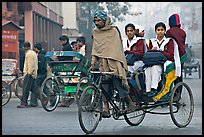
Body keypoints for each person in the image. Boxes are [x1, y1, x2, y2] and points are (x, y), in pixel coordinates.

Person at [89, 10, 137, 118]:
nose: (97, 23)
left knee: (118, 82)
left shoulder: (113, 31)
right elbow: (95, 49)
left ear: (105, 20)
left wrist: (111, 59)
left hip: (115, 62)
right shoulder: (95, 32)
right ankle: (106, 109)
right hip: (103, 63)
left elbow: (116, 48)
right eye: (95, 20)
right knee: (104, 85)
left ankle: (129, 101)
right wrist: (92, 63)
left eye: (99, 20)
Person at [144, 22, 175, 98]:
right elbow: (148, 53)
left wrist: (160, 52)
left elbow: (170, 55)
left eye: (162, 30)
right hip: (153, 61)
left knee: (155, 68)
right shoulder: (151, 41)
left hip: (164, 62)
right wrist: (152, 50)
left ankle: (154, 88)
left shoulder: (169, 41)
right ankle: (148, 90)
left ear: (165, 31)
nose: (160, 31)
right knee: (147, 69)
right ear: (156, 31)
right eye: (158, 30)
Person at [166, 13, 186, 96]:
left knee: (170, 75)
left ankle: (169, 94)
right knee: (179, 75)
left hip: (174, 56)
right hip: (183, 56)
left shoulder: (169, 32)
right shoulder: (183, 32)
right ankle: (178, 94)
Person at [17, 41, 39, 108]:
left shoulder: (29, 54)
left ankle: (24, 103)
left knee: (25, 89)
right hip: (33, 74)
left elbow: (30, 65)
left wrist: (28, 74)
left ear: (25, 47)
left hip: (29, 74)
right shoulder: (33, 53)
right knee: (34, 89)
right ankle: (44, 98)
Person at [29, 43, 48, 107]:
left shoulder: (40, 56)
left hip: (40, 74)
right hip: (44, 73)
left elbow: (40, 66)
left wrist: (37, 72)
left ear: (36, 48)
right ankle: (52, 99)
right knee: (44, 87)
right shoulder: (44, 54)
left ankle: (33, 102)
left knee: (35, 87)